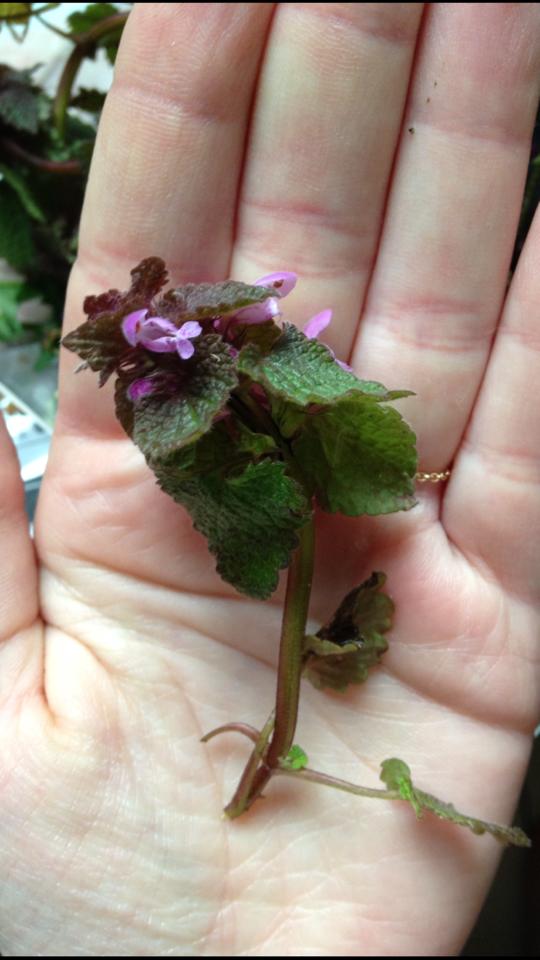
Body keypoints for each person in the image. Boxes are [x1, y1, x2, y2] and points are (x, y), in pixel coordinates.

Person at [1, 3, 539, 955]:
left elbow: (289, 350)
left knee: (321, 454)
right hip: (206, 403)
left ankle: (274, 750)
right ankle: (265, 761)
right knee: (270, 513)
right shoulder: (179, 399)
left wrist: (284, 365)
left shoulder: (243, 362)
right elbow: (219, 466)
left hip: (242, 390)